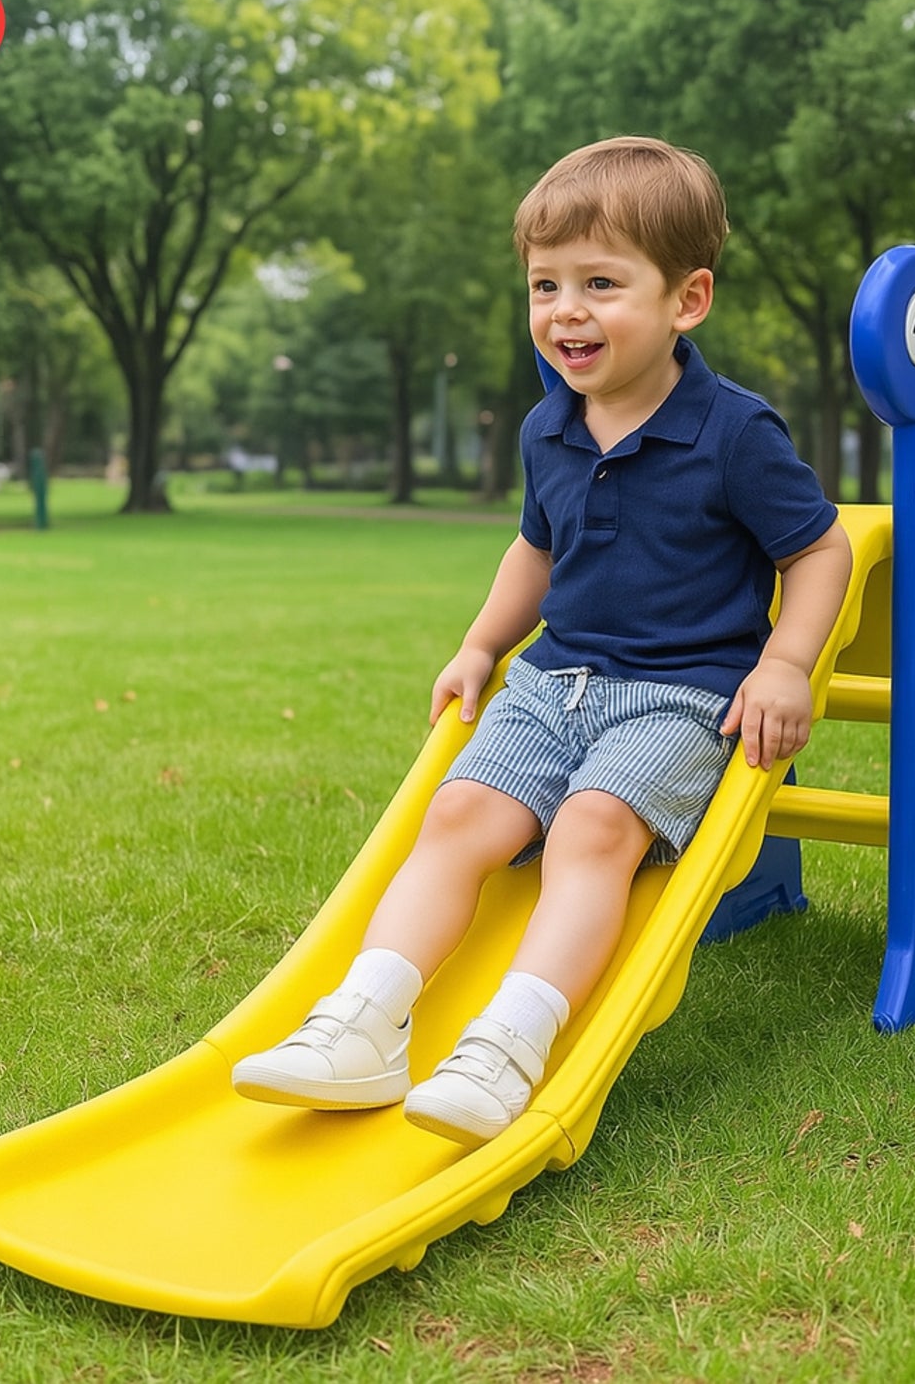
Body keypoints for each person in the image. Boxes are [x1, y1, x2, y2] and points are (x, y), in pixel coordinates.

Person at [232, 137, 852, 1146]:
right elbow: (535, 548)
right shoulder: (547, 426)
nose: (566, 308)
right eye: (545, 284)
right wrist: (482, 642)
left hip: (680, 695)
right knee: (457, 815)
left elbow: (821, 549)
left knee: (590, 831)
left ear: (685, 300)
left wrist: (783, 662)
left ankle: (508, 1042)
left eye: (600, 283)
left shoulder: (734, 433)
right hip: (551, 680)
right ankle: (365, 1021)